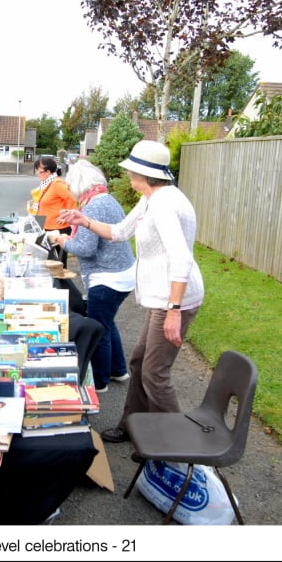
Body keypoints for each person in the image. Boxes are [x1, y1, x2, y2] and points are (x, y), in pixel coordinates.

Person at [58, 140, 204, 444]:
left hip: (174, 299)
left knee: (155, 373)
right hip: (163, 299)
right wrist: (83, 219)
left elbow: (181, 258)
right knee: (138, 362)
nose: (128, 177)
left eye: (132, 172)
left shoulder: (165, 204)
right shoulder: (151, 198)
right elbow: (119, 232)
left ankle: (181, 446)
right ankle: (131, 426)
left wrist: (174, 311)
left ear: (145, 174)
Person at [55, 159, 136, 392]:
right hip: (123, 274)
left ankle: (100, 382)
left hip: (107, 277)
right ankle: (118, 370)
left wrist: (63, 241)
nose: (70, 191)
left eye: (71, 186)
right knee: (108, 323)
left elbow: (86, 249)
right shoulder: (107, 200)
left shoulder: (91, 207)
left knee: (98, 328)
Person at [29, 156, 76, 266]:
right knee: (47, 261)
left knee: (57, 264)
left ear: (48, 172)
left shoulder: (57, 183)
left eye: (39, 171)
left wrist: (66, 215)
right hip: (46, 226)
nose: (37, 173)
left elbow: (72, 198)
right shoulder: (46, 183)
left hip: (58, 229)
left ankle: (61, 283)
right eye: (37, 170)